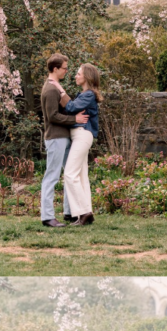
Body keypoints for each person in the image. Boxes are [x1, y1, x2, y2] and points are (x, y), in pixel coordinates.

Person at [40, 53, 88, 228]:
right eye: (64, 68)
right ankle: (47, 216)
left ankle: (70, 212)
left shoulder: (56, 86)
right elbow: (52, 116)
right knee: (51, 176)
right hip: (55, 138)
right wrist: (75, 120)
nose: (67, 71)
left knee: (69, 174)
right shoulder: (51, 89)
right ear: (55, 69)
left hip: (64, 137)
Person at [57, 62, 102, 226]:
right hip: (80, 135)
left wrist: (60, 90)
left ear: (87, 77)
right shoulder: (84, 94)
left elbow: (70, 107)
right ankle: (86, 213)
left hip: (83, 135)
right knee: (81, 176)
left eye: (78, 73)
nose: (75, 76)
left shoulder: (89, 95)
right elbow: (72, 108)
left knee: (70, 173)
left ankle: (84, 213)